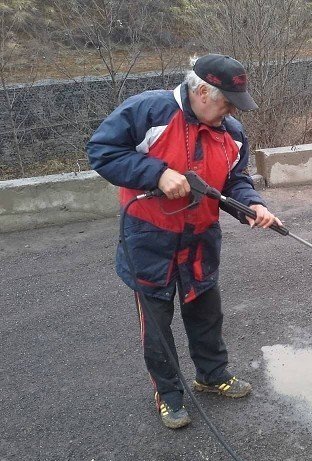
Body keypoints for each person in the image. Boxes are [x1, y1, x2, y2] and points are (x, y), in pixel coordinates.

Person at [86, 54, 280, 429]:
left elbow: (234, 182)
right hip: (148, 239)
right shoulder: (149, 111)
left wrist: (253, 205)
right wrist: (157, 174)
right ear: (203, 92)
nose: (230, 112)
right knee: (157, 325)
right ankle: (169, 395)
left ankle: (211, 376)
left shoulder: (233, 132)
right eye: (226, 102)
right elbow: (102, 151)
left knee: (207, 314)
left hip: (200, 239)